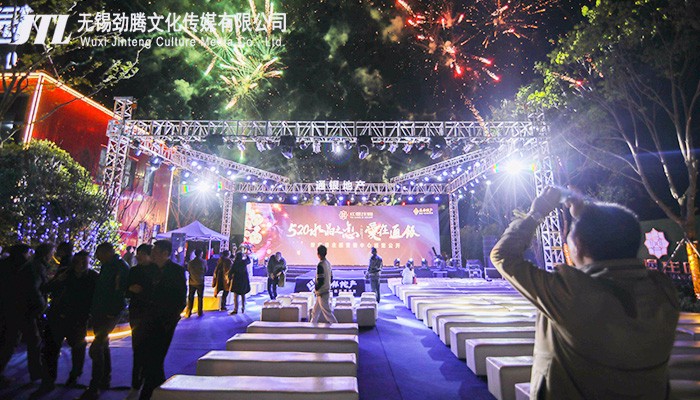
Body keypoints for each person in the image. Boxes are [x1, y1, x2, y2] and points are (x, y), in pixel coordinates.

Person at [490, 187, 680, 399]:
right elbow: (612, 247)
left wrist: (537, 213)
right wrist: (588, 219)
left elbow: (503, 256)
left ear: (578, 245)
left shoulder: (571, 293)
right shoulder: (663, 291)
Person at [33, 251, 98, 397]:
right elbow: (46, 288)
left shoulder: (92, 277)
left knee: (78, 349)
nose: (81, 265)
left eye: (85, 262)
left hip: (77, 319)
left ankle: (74, 375)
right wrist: (58, 281)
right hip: (58, 317)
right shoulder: (65, 273)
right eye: (78, 262)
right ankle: (48, 381)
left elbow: (96, 297)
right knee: (51, 350)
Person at [78, 242, 129, 400]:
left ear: (107, 252)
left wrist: (112, 312)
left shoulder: (119, 267)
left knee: (97, 348)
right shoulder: (108, 265)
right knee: (103, 345)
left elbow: (119, 291)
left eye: (99, 254)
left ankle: (95, 386)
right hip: (101, 311)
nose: (97, 257)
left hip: (108, 313)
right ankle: (104, 379)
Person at [138, 240, 186, 400]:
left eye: (155, 251)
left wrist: (172, 317)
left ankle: (150, 393)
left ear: (165, 253)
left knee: (156, 357)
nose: (152, 254)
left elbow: (181, 298)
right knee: (149, 358)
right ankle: (158, 391)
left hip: (165, 322)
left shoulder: (176, 271)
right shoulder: (149, 270)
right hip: (148, 320)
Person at [0, 244, 36, 386]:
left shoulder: (4, 264)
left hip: (5, 309)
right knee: (9, 342)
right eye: (28, 253)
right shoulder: (24, 268)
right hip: (15, 310)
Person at [125, 244, 155, 400]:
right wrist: (130, 289)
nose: (139, 256)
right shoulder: (134, 271)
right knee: (137, 349)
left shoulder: (156, 271)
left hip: (151, 315)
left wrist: (142, 290)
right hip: (136, 314)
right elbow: (125, 289)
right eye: (138, 253)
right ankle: (136, 383)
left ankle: (147, 382)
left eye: (142, 253)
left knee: (150, 350)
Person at [311, 245, 337, 324]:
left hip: (322, 293)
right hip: (325, 290)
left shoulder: (320, 264)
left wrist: (316, 289)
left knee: (327, 314)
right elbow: (331, 277)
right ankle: (311, 326)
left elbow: (320, 280)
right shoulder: (328, 263)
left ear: (318, 254)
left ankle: (337, 327)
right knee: (315, 312)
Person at [186, 249, 206, 318]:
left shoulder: (190, 262)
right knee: (200, 298)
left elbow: (188, 270)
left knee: (190, 297)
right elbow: (205, 270)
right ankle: (200, 312)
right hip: (200, 282)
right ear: (201, 254)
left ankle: (188, 312)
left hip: (192, 282)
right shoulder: (203, 262)